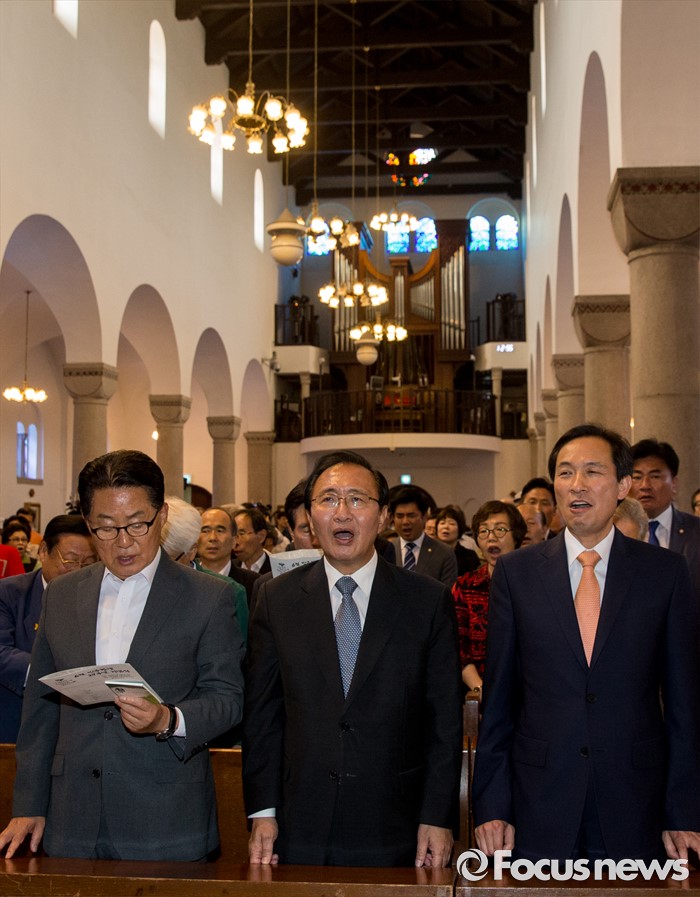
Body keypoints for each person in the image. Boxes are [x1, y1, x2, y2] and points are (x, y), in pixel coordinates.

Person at [0, 449, 245, 861]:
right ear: (88, 524)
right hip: (71, 816)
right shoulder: (62, 594)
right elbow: (39, 709)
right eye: (106, 528)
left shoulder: (208, 597)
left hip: (165, 818)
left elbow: (228, 699)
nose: (124, 542)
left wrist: (167, 719)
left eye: (137, 524)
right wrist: (28, 803)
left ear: (162, 516)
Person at [473, 424, 700, 863]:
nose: (576, 484)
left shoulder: (664, 573)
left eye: (592, 471)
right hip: (539, 798)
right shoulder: (517, 574)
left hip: (636, 799)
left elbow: (683, 706)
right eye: (565, 472)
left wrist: (684, 810)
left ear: (623, 486)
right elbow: (499, 702)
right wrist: (494, 806)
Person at [243, 450, 462, 867]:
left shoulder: (426, 601)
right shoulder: (275, 598)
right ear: (311, 517)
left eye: (357, 499)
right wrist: (263, 812)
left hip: (397, 819)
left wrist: (437, 816)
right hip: (299, 819)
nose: (342, 512)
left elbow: (443, 721)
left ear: (382, 517)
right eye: (328, 499)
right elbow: (263, 715)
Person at [0, 514, 97, 743]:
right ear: (44, 551)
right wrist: (54, 673)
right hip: (17, 727)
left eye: (89, 563)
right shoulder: (8, 593)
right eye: (70, 561)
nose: (79, 571)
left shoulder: (100, 599)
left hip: (79, 736)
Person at [451, 502, 526, 693]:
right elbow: (458, 646)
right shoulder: (464, 586)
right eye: (483, 531)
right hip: (478, 690)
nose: (491, 537)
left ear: (516, 537)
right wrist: (481, 689)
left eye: (500, 530)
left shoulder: (533, 584)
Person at [629, 438, 700, 599]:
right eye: (637, 477)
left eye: (655, 476)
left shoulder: (696, 531)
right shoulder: (614, 532)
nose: (645, 485)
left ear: (674, 484)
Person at [388, 486, 459, 588]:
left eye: (411, 516)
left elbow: (447, 592)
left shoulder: (444, 553)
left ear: (425, 516)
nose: (405, 522)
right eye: (400, 516)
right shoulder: (386, 550)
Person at [196, 506, 259, 605]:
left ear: (234, 541)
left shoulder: (253, 583)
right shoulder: (184, 578)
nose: (212, 538)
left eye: (220, 531)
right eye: (205, 531)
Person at [435, 505, 480, 576]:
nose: (446, 527)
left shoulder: (469, 556)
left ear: (460, 529)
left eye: (451, 523)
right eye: (442, 523)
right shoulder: (429, 554)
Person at [234, 508, 272, 575]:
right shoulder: (229, 570)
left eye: (241, 534)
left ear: (261, 536)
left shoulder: (276, 571)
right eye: (233, 534)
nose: (235, 543)